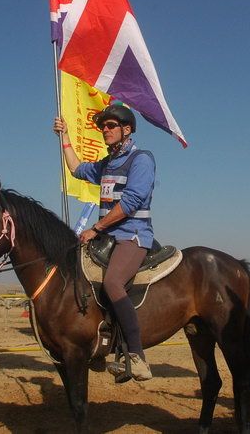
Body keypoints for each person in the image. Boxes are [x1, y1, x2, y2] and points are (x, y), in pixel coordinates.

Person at [53, 103, 155, 382]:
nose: (105, 131)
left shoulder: (142, 160)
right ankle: (97, 346)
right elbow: (77, 170)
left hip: (132, 235)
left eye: (110, 126)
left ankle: (137, 356)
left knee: (112, 283)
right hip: (108, 236)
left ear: (127, 129)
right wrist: (64, 137)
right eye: (103, 127)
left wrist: (95, 228)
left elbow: (131, 202)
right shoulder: (108, 163)